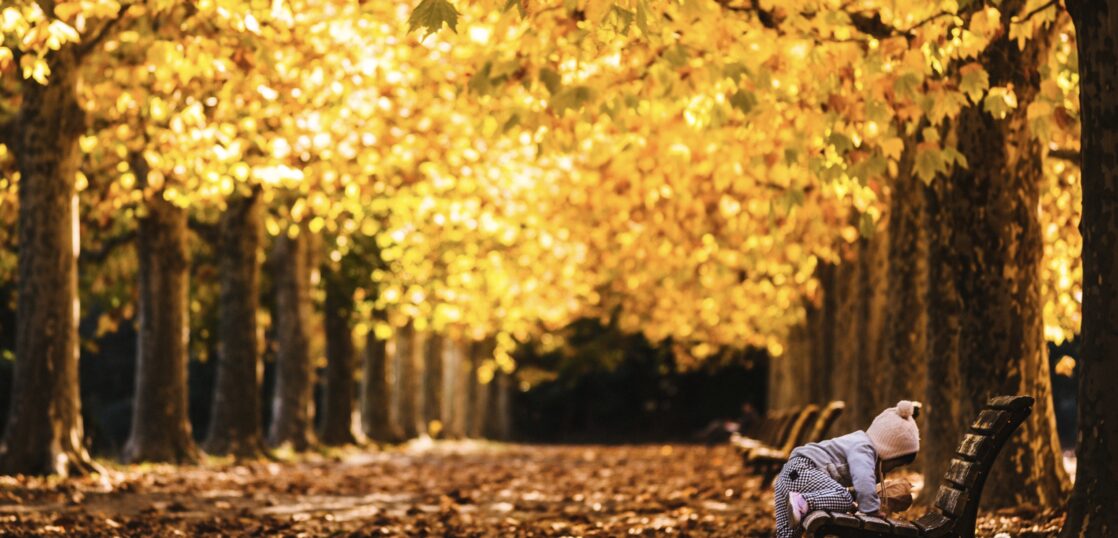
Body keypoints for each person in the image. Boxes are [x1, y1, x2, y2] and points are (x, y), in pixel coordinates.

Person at [772, 400, 920, 537]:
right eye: (894, 464)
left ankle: (800, 503)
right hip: (804, 470)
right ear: (889, 450)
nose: (891, 470)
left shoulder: (858, 441)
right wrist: (872, 509)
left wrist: (856, 503)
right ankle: (803, 501)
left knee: (787, 534)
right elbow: (863, 480)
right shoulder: (864, 448)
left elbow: (844, 487)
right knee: (844, 498)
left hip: (789, 475)